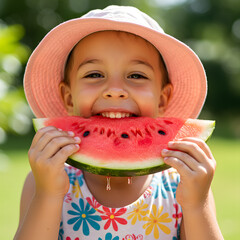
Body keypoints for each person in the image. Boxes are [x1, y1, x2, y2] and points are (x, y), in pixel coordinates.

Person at [14, 5, 223, 240]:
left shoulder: (183, 182)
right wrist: (48, 193)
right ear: (68, 97)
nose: (115, 91)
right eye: (94, 74)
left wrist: (198, 204)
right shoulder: (44, 178)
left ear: (163, 98)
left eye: (136, 76)